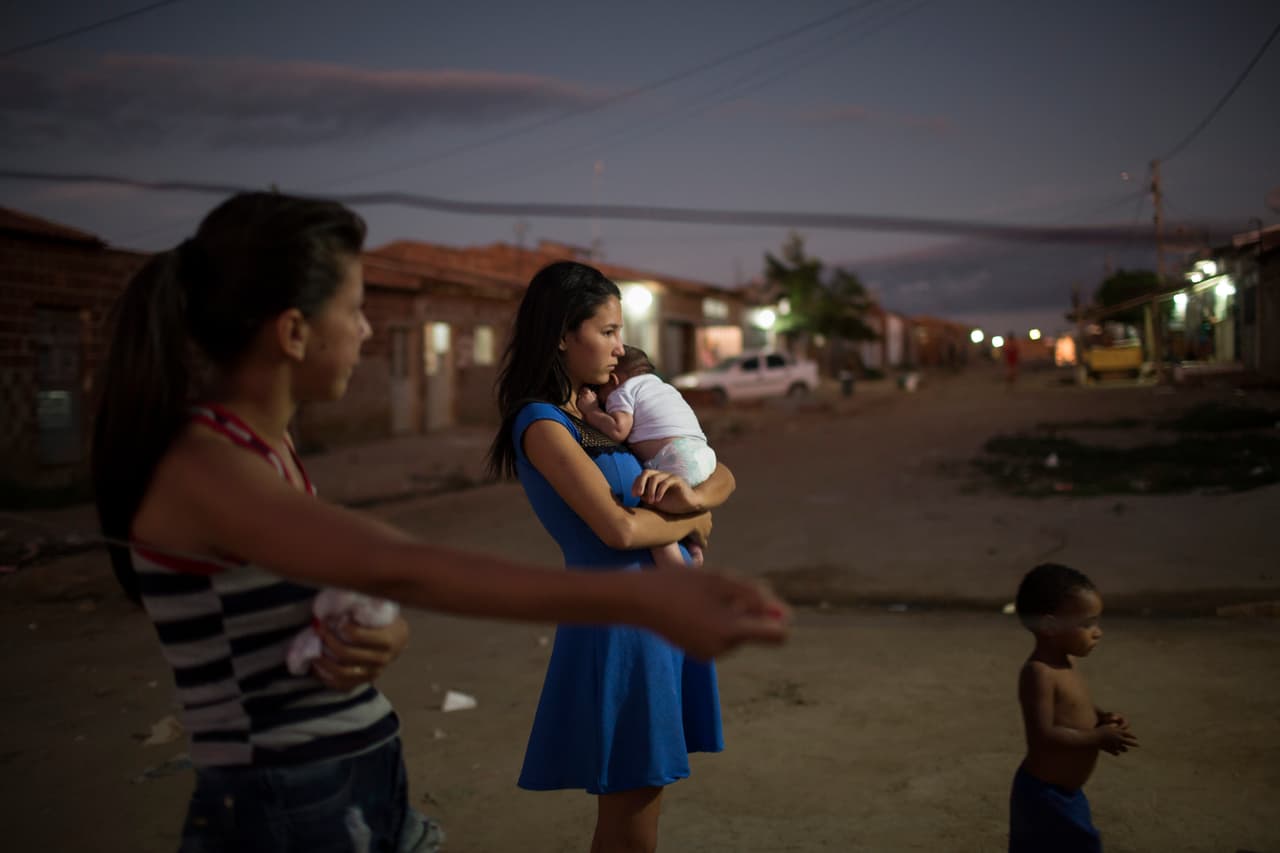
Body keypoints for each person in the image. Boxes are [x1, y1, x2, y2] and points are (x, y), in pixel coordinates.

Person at [92, 193, 789, 853]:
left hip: (346, 777)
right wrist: (642, 594)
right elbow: (397, 564)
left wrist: (383, 632)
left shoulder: (270, 451)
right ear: (295, 331)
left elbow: (345, 596)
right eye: (357, 309)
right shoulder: (203, 466)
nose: (368, 330)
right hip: (278, 798)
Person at [488, 261, 738, 853]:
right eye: (606, 331)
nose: (620, 347)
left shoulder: (597, 411)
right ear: (560, 334)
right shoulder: (542, 424)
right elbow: (618, 531)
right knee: (631, 818)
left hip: (654, 619)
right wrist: (694, 518)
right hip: (618, 627)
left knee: (640, 807)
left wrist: (695, 499)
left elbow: (717, 467)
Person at [1010, 563, 1138, 853]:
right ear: (1050, 626)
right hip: (1044, 796)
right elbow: (1043, 735)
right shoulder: (1039, 673)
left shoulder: (1068, 662)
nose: (1098, 633)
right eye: (1087, 624)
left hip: (1066, 793)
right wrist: (1098, 737)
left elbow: (1074, 705)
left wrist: (1101, 716)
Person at [578, 344, 716, 570]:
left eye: (599, 392)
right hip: (703, 455)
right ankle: (694, 548)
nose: (603, 400)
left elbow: (618, 430)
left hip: (676, 458)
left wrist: (593, 410)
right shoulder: (665, 388)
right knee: (679, 507)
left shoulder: (622, 392)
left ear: (613, 380)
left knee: (654, 520)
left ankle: (674, 572)